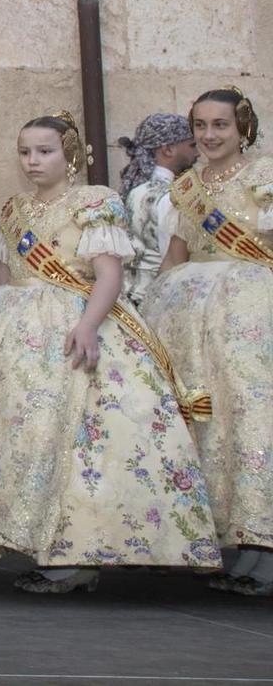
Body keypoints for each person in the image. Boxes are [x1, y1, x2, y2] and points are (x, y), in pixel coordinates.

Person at [0, 112, 219, 593]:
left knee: (80, 441)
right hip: (17, 338)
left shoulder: (95, 202)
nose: (32, 161)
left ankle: (78, 556)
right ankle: (45, 545)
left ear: (69, 153)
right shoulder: (14, 209)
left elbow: (109, 274)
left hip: (75, 328)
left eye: (44, 151)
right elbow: (2, 277)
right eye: (25, 152)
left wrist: (89, 325)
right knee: (30, 440)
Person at [141, 88, 273, 596]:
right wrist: (150, 314)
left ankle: (264, 548)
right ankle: (229, 541)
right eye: (200, 125)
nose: (209, 135)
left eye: (220, 125)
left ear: (243, 128)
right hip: (188, 315)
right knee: (203, 421)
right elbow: (176, 253)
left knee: (249, 418)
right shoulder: (186, 186)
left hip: (250, 312)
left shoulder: (264, 178)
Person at [117, 112, 197, 307]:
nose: (198, 153)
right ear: (168, 149)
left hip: (126, 299)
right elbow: (173, 259)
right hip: (158, 299)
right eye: (192, 145)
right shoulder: (172, 196)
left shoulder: (134, 191)